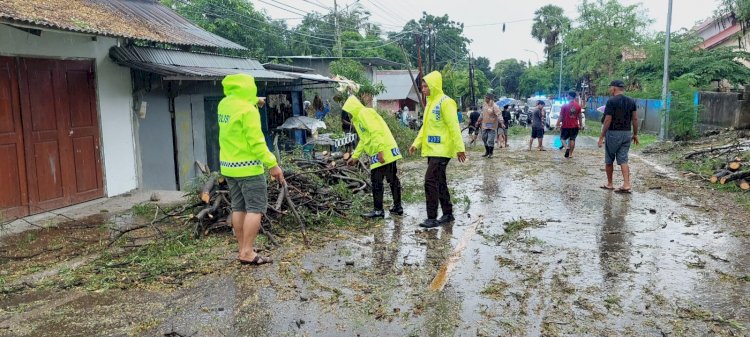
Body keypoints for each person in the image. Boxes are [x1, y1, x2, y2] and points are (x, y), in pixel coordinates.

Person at [218, 73, 285, 266]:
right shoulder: (249, 111)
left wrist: (255, 101)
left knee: (238, 207)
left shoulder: (224, 104)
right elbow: (256, 142)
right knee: (255, 209)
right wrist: (272, 164)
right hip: (248, 167)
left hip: (229, 167)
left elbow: (239, 102)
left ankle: (243, 248)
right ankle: (247, 252)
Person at [409, 71, 466, 228]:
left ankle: (432, 217)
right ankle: (447, 213)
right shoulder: (429, 104)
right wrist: (416, 143)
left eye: (426, 85)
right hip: (432, 150)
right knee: (439, 181)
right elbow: (425, 128)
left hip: (442, 150)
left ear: (434, 86)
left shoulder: (446, 102)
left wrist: (460, 148)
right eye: (422, 85)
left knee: (429, 180)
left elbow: (454, 126)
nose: (423, 88)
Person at [343, 95, 403, 218]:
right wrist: (355, 157)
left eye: (348, 111)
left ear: (352, 108)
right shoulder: (358, 118)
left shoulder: (364, 113)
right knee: (392, 179)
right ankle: (397, 207)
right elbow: (364, 140)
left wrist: (380, 151)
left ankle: (378, 211)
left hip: (382, 150)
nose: (348, 114)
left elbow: (375, 131)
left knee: (377, 181)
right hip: (386, 149)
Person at [598, 80, 639, 193]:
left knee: (609, 159)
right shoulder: (631, 101)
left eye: (610, 88)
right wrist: (635, 134)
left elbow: (607, 119)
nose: (609, 90)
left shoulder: (611, 101)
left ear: (614, 88)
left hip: (613, 133)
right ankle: (626, 184)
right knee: (623, 159)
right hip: (627, 133)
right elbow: (635, 119)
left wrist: (602, 136)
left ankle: (610, 184)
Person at [556, 91, 583, 158]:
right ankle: (570, 154)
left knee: (562, 138)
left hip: (566, 125)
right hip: (575, 126)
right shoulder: (578, 106)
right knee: (572, 139)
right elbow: (580, 116)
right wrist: (581, 125)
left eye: (567, 95)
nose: (566, 97)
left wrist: (557, 124)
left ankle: (566, 147)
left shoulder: (564, 106)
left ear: (570, 96)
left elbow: (561, 116)